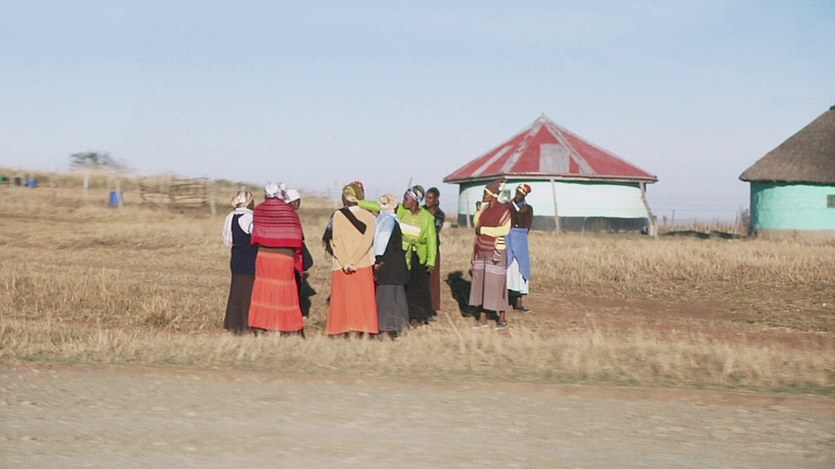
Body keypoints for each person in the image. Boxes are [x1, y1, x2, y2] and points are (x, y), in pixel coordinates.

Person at [360, 185, 437, 327]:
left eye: (407, 199)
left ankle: (417, 316)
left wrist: (431, 261)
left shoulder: (427, 218)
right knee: (404, 286)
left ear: (415, 201)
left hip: (419, 255)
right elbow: (378, 206)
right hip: (402, 254)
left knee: (418, 286)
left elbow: (432, 241)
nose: (404, 201)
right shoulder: (400, 210)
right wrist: (358, 202)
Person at [248, 182, 306, 335]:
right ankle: (286, 325)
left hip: (264, 256)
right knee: (285, 291)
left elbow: (256, 234)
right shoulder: (290, 212)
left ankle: (261, 324)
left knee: (263, 290)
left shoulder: (259, 210)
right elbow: (297, 236)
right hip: (284, 257)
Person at [325, 181, 379, 336]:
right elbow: (367, 242)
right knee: (362, 300)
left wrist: (345, 262)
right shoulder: (369, 216)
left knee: (342, 299)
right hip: (363, 264)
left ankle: (340, 329)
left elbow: (335, 241)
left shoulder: (338, 215)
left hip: (341, 265)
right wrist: (354, 261)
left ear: (346, 197)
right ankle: (363, 329)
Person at [469, 179, 511, 330]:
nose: (483, 195)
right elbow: (477, 226)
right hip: (482, 250)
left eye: (485, 193)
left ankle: (503, 318)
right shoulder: (485, 210)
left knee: (497, 284)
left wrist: (484, 230)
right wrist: (478, 211)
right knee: (483, 284)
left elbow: (504, 230)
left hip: (496, 251)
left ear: (493, 195)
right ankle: (483, 318)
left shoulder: (503, 210)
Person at [373, 193, 410, 339]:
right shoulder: (389, 220)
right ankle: (390, 328)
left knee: (388, 295)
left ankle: (388, 328)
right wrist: (379, 258)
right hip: (391, 263)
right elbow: (382, 241)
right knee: (392, 296)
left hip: (389, 264)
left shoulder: (382, 219)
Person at [220, 190, 257, 334]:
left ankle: (234, 323)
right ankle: (246, 324)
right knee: (248, 291)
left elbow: (227, 239)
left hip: (236, 258)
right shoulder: (249, 218)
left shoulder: (231, 217)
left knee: (236, 291)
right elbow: (256, 236)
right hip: (249, 259)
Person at [286, 189, 315, 318]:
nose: (297, 204)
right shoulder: (291, 215)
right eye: (295, 201)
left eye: (298, 201)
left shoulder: (290, 214)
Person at [506, 184, 533, 313]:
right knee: (508, 268)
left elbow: (528, 226)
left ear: (524, 196)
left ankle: (518, 303)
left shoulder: (528, 209)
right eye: (517, 193)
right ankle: (503, 301)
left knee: (520, 269)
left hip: (521, 241)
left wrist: (519, 236)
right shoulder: (507, 206)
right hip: (508, 239)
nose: (517, 196)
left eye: (520, 194)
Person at [423, 187, 445, 318]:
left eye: (430, 198)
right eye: (427, 197)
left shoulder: (439, 215)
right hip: (421, 248)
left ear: (436, 200)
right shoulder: (422, 210)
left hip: (433, 248)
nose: (427, 200)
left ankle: (433, 306)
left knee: (433, 279)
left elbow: (434, 229)